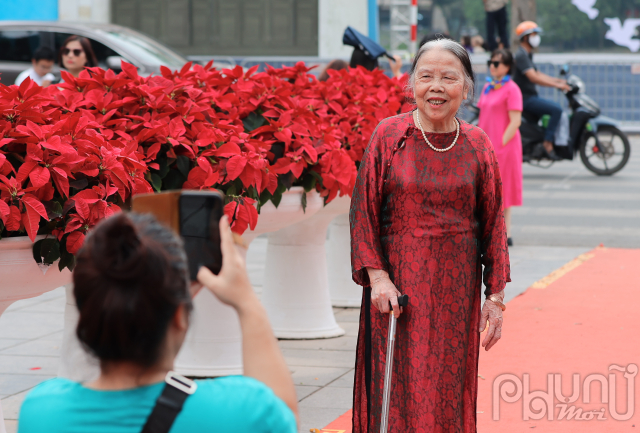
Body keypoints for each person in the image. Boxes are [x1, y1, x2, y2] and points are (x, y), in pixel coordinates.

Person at [350, 37, 510, 432]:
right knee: (398, 382)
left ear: (466, 88)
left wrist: (496, 298)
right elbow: (363, 212)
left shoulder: (477, 143)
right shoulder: (390, 135)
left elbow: (493, 222)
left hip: (457, 290)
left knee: (447, 385)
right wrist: (378, 277)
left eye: (448, 78)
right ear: (412, 84)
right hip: (398, 287)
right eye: (426, 76)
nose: (435, 87)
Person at [18, 213, 298, 433]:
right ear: (178, 316)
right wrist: (246, 303)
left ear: (87, 312)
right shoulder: (239, 411)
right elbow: (283, 416)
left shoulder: (42, 412)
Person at [478, 49, 523, 247]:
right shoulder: (488, 86)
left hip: (504, 146)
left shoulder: (512, 89)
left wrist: (500, 145)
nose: (492, 66)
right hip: (487, 145)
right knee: (487, 189)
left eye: (496, 63)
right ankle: (494, 230)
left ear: (507, 67)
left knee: (503, 189)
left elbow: (515, 122)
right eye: (491, 62)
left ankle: (506, 232)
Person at [512, 21, 571, 160]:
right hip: (525, 98)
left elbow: (538, 74)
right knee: (556, 109)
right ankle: (548, 142)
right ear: (525, 37)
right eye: (534, 34)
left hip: (529, 97)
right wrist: (557, 86)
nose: (536, 37)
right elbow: (533, 77)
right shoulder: (521, 55)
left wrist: (559, 81)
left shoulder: (527, 54)